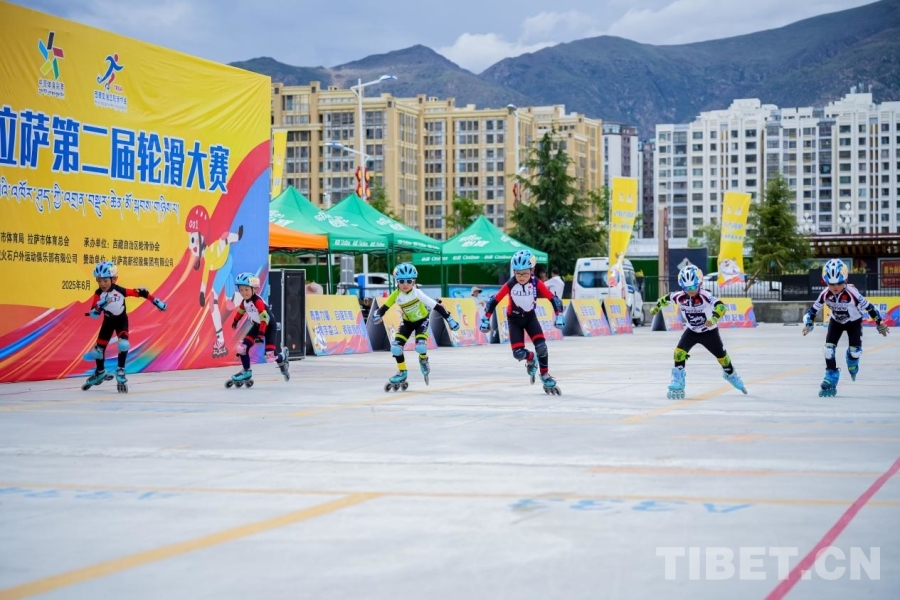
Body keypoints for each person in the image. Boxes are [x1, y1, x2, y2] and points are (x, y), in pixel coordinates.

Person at [649, 264, 747, 399]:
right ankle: (678, 381)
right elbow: (665, 299)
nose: (690, 291)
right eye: (686, 288)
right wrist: (656, 308)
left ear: (700, 283)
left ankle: (730, 374)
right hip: (692, 331)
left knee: (723, 358)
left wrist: (714, 318)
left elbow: (721, 306)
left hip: (709, 332)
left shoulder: (705, 295)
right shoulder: (679, 297)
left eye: (693, 287)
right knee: (678, 353)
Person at [479, 250, 565, 394]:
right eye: (518, 274)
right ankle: (531, 358)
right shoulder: (511, 283)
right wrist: (486, 319)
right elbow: (494, 300)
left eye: (525, 273)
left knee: (542, 347)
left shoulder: (536, 283)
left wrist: (559, 315)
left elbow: (553, 299)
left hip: (530, 318)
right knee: (518, 353)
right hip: (514, 320)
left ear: (532, 270)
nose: (521, 277)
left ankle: (545, 375)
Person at [802, 258, 889, 397]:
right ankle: (831, 374)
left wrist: (880, 323)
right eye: (831, 284)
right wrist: (808, 323)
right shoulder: (825, 294)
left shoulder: (852, 293)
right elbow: (812, 310)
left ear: (845, 280)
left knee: (855, 352)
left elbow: (870, 307)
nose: (835, 287)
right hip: (836, 322)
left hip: (854, 323)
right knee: (828, 350)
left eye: (839, 283)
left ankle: (852, 359)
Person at [83, 261, 167, 393]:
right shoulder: (98, 293)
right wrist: (99, 307)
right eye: (99, 281)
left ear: (114, 279)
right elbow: (94, 313)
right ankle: (100, 372)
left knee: (123, 345)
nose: (102, 284)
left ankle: (120, 370)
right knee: (98, 351)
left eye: (105, 280)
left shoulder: (120, 291)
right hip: (108, 322)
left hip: (121, 321)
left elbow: (140, 293)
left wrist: (156, 301)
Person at [373, 263, 460, 389]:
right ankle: (402, 372)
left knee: (420, 347)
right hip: (407, 323)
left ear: (414, 281)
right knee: (396, 348)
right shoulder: (396, 295)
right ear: (397, 282)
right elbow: (383, 309)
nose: (405, 284)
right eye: (401, 281)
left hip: (421, 321)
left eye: (409, 281)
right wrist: (377, 315)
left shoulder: (417, 293)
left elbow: (436, 306)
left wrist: (450, 319)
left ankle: (423, 359)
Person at [228, 272, 290, 387]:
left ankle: (282, 357)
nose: (243, 293)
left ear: (254, 289)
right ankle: (246, 371)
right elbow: (241, 311)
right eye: (241, 290)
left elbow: (264, 319)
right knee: (242, 348)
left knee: (270, 356)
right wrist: (235, 321)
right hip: (258, 326)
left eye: (246, 290)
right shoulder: (245, 302)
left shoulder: (258, 302)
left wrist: (260, 335)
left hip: (268, 326)